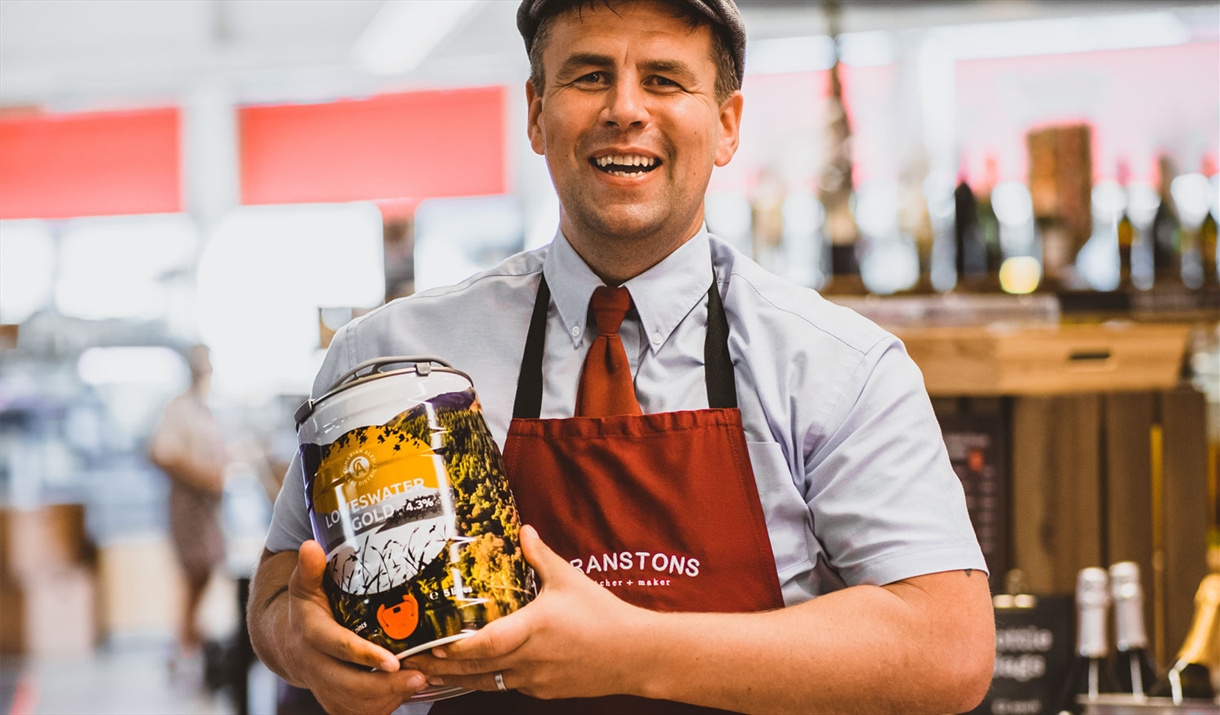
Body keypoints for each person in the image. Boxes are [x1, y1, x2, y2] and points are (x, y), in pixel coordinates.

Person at [247, 1, 995, 713]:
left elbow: (948, 647)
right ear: (537, 114)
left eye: (664, 79)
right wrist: (304, 646)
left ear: (728, 125)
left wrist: (628, 651)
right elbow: (280, 588)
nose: (625, 109)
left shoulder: (837, 366)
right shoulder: (391, 355)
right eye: (590, 75)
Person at [148, 344, 230, 671]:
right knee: (195, 574)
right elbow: (163, 453)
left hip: (206, 510)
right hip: (188, 508)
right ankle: (184, 646)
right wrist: (204, 476)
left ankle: (190, 640)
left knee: (205, 573)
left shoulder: (203, 408)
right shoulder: (178, 408)